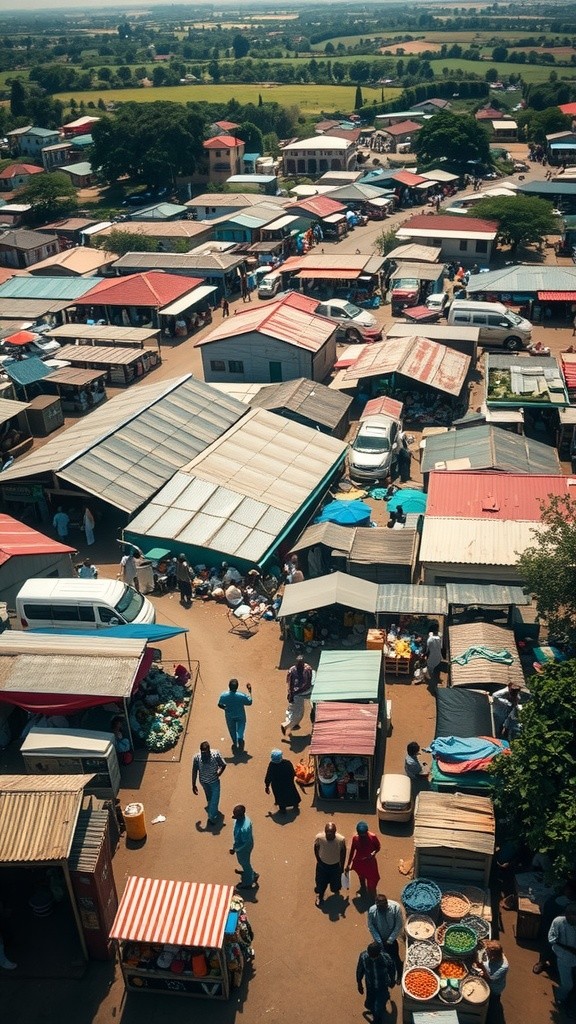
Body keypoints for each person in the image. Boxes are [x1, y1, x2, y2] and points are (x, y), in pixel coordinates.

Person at [367, 893, 404, 985]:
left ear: (387, 903)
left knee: (395, 958)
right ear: (376, 905)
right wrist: (379, 940)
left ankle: (399, 974)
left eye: (384, 906)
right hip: (379, 940)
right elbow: (371, 926)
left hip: (391, 940)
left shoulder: (395, 908)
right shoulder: (372, 910)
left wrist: (390, 940)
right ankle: (386, 976)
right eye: (380, 907)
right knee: (382, 958)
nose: (382, 909)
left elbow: (398, 925)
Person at [356, 941, 395, 1023]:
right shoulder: (364, 957)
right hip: (370, 984)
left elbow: (392, 969)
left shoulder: (386, 958)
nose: (372, 958)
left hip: (383, 985)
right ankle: (379, 1007)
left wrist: (392, 980)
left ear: (379, 953)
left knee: (378, 1007)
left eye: (374, 956)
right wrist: (359, 983)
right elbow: (360, 970)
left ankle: (377, 1019)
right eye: (370, 956)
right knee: (370, 1002)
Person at [548, 904, 576, 1012]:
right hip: (563, 957)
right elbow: (552, 940)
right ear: (566, 914)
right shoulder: (558, 922)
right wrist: (569, 949)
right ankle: (559, 997)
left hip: (572, 957)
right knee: (568, 985)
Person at [192, 741, 227, 826]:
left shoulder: (215, 755)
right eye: (202, 752)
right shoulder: (197, 758)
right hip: (204, 782)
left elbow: (223, 765)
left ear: (209, 750)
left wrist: (219, 773)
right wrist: (193, 784)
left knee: (215, 800)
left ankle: (211, 817)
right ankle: (211, 808)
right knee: (209, 797)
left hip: (214, 782)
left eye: (206, 752)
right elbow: (194, 771)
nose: (204, 754)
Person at [346, 822, 381, 903]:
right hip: (359, 861)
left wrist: (373, 853)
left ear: (367, 832)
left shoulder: (373, 837)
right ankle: (362, 889)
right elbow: (352, 851)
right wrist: (348, 864)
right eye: (360, 834)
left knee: (371, 880)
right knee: (361, 876)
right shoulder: (355, 838)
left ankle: (372, 897)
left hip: (370, 862)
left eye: (364, 834)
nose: (362, 836)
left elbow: (378, 847)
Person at [314, 822, 346, 907]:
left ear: (335, 832)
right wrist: (318, 860)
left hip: (335, 866)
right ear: (324, 831)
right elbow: (316, 848)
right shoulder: (319, 838)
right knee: (321, 883)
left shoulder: (341, 840)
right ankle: (320, 896)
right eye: (327, 832)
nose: (329, 835)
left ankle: (335, 889)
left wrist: (342, 867)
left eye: (331, 833)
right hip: (322, 865)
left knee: (335, 887)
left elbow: (343, 852)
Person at [281, 655, 313, 738]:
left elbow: (289, 682)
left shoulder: (292, 669)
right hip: (302, 693)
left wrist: (290, 694)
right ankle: (287, 725)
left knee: (292, 709)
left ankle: (291, 724)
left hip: (294, 693)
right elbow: (308, 683)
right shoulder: (307, 669)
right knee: (298, 713)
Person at [217, 678, 253, 753]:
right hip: (240, 714)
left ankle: (234, 741)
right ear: (237, 687)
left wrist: (225, 708)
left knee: (231, 729)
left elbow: (219, 704)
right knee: (241, 727)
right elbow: (250, 702)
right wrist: (249, 691)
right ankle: (240, 737)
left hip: (230, 715)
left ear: (229, 686)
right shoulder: (241, 695)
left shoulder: (224, 695)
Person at [264, 749, 301, 815]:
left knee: (280, 797)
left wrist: (267, 786)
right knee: (292, 793)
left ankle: (283, 810)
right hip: (288, 783)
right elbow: (293, 772)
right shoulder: (287, 762)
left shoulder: (272, 765)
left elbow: (268, 776)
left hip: (277, 785)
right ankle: (295, 804)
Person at [230, 804, 258, 889]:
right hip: (243, 845)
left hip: (244, 848)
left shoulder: (244, 828)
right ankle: (251, 873)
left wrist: (235, 849)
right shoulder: (244, 819)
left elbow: (244, 843)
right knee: (244, 862)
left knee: (244, 863)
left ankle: (248, 882)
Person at [477, 940, 509, 1011]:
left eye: (488, 953)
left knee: (492, 999)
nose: (486, 953)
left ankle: (491, 1008)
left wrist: (482, 966)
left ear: (493, 957)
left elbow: (489, 980)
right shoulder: (498, 954)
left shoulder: (502, 968)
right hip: (488, 976)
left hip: (494, 988)